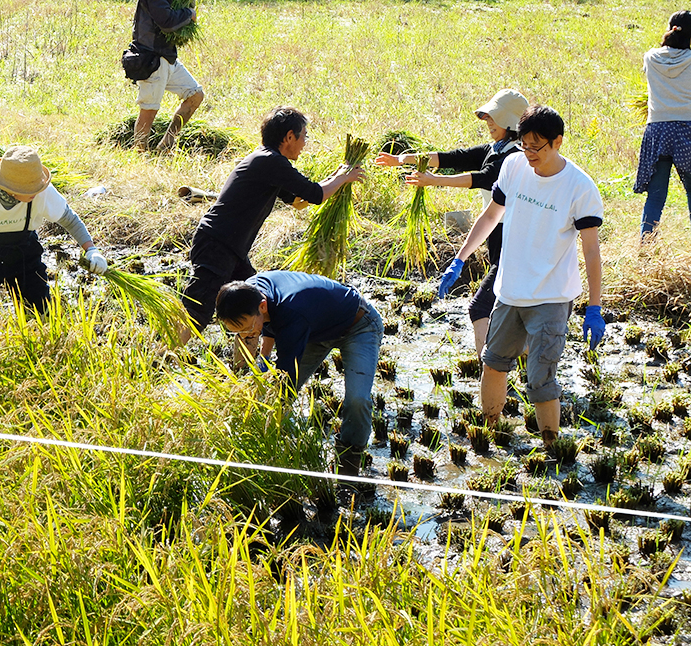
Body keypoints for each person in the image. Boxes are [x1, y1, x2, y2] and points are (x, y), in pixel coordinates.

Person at [435, 105, 604, 448]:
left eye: (536, 147)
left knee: (541, 380)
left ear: (557, 142)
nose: (529, 153)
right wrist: (460, 257)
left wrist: (594, 307)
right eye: (525, 144)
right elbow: (490, 216)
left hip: (551, 297)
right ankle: (490, 435)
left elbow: (591, 251)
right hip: (509, 292)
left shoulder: (579, 188)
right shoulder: (513, 165)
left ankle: (553, 450)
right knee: (493, 364)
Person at [179, 106, 366, 350]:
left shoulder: (269, 162)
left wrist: (337, 177)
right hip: (218, 243)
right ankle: (159, 358)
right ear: (289, 137)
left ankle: (243, 370)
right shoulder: (270, 161)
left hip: (231, 248)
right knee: (198, 308)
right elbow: (316, 195)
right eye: (304, 136)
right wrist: (344, 177)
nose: (304, 143)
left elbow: (301, 202)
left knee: (253, 305)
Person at [375, 88, 529, 356]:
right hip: (497, 237)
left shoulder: (514, 157)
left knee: (480, 307)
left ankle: (488, 369)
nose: (488, 122)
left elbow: (482, 178)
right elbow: (451, 158)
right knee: (508, 311)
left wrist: (435, 181)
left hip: (514, 241)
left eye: (493, 117)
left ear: (509, 122)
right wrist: (402, 160)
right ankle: (520, 364)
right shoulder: (495, 149)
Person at [215, 271, 383, 463]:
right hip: (315, 329)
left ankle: (350, 458)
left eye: (246, 329)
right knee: (268, 391)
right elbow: (268, 324)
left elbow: (285, 382)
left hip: (358, 325)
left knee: (357, 400)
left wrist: (268, 411)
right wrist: (249, 372)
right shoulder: (249, 293)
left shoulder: (291, 313)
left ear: (262, 307)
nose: (244, 336)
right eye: (238, 332)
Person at [0, 145, 108, 322]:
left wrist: (91, 249)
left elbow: (70, 219)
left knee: (41, 316)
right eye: (30, 190)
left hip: (24, 256)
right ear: (10, 188)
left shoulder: (43, 192)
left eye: (37, 187)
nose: (36, 193)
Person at [132, 0, 204, 152]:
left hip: (167, 56)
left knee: (195, 95)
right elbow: (166, 20)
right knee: (149, 110)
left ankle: (167, 144)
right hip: (152, 57)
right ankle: (140, 153)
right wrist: (188, 14)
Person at [635, 10, 691, 238]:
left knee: (656, 196)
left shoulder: (650, 58)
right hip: (687, 131)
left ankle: (646, 246)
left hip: (658, 131)